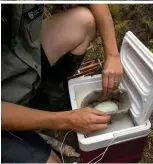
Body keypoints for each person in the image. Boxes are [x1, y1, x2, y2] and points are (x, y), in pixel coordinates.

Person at [1, 4, 123, 163]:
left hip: (18, 54)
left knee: (83, 21)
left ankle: (39, 104)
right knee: (53, 161)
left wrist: (112, 55)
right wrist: (66, 120)